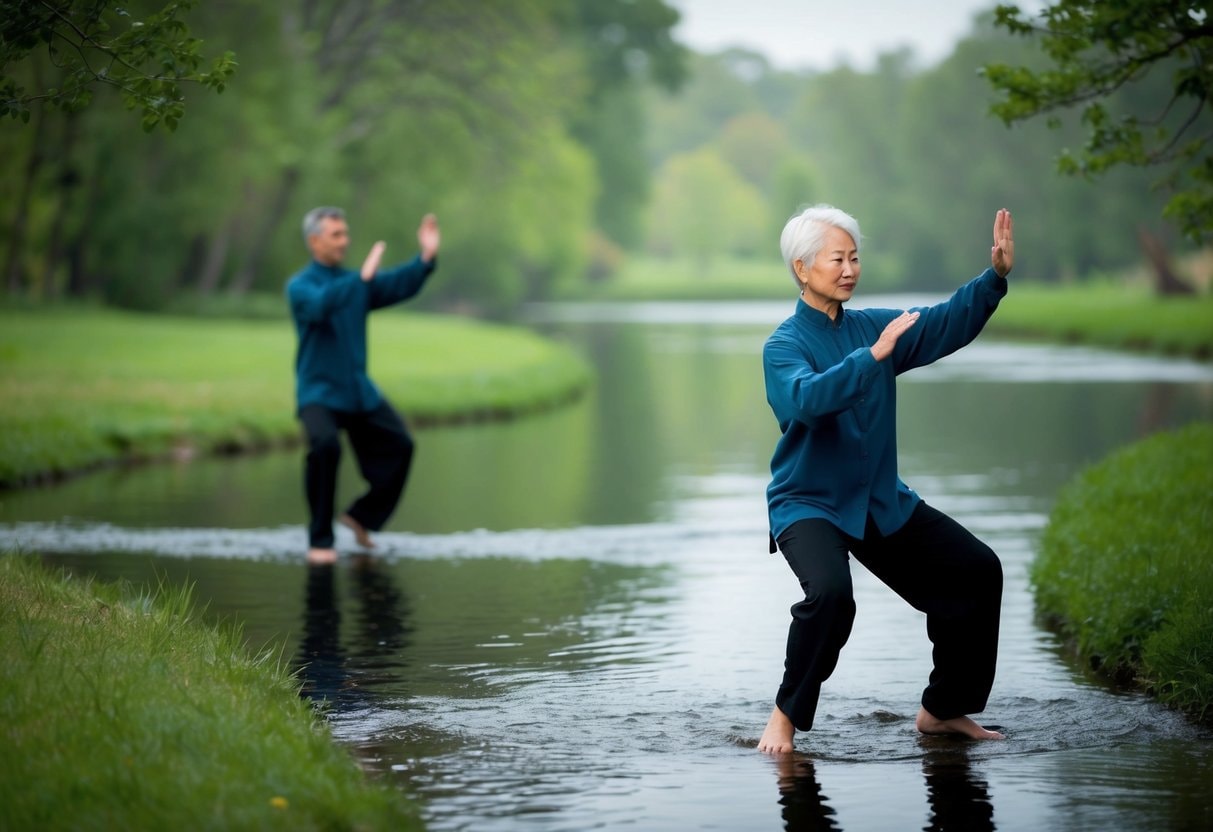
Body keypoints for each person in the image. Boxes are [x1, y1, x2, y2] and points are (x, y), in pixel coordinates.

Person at [757, 205, 1015, 753]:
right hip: (809, 504)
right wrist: (871, 358)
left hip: (878, 501)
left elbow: (943, 322)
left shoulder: (874, 325)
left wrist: (992, 280)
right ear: (802, 269)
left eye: (854, 257)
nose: (849, 269)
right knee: (831, 597)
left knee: (976, 571)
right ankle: (784, 717)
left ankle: (943, 710)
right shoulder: (783, 347)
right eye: (837, 259)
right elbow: (806, 401)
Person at [287, 207, 441, 564]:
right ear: (314, 240)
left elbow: (396, 284)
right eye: (336, 235)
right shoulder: (300, 286)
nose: (345, 241)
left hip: (356, 391)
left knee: (401, 445)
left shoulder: (357, 284)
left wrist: (426, 257)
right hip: (318, 392)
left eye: (345, 233)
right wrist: (360, 280)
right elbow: (321, 306)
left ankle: (362, 517)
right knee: (325, 447)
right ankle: (320, 541)